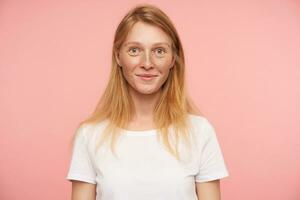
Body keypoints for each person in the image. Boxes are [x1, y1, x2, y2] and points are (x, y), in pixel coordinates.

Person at [66, 4, 229, 200]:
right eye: (134, 50)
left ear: (173, 59)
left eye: (159, 51)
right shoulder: (90, 135)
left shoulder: (200, 131)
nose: (147, 63)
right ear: (118, 56)